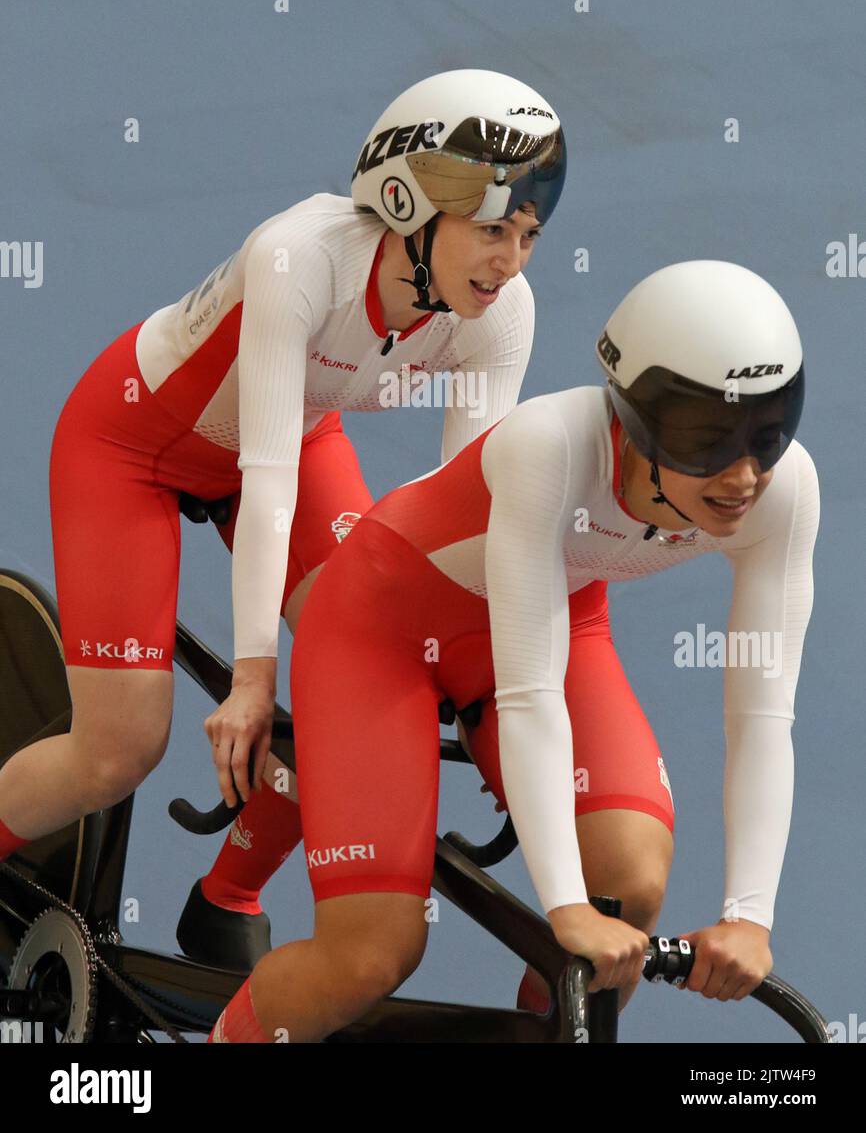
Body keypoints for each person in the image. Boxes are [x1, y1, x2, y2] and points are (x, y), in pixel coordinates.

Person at [0, 70, 567, 974]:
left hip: (294, 432)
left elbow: (455, 515)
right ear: (405, 204)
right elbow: (264, 484)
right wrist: (253, 680)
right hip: (136, 444)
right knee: (118, 751)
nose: (513, 261)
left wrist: (486, 681)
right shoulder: (298, 260)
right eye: (493, 230)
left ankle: (225, 897)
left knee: (374, 657)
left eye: (530, 234)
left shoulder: (498, 318)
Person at [206, 260, 819, 1043]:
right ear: (636, 421)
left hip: (547, 620)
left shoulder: (784, 489)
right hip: (380, 632)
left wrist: (750, 917)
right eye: (708, 443)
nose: (743, 476)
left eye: (769, 433)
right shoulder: (549, 447)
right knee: (369, 956)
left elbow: (764, 717)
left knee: (627, 887)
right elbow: (530, 696)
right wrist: (562, 909)